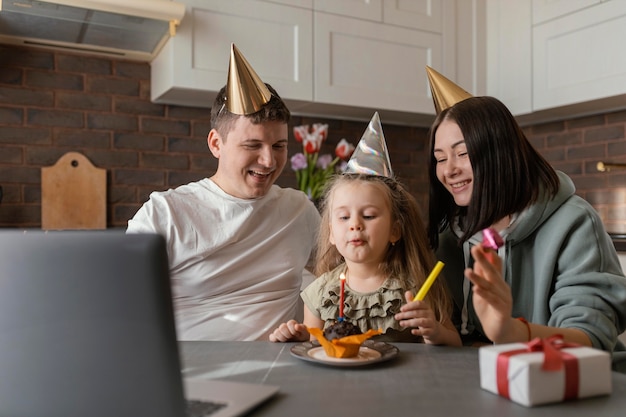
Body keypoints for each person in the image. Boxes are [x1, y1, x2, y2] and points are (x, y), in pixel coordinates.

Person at [425, 67, 626, 358]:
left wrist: (508, 331)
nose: (449, 170)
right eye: (440, 158)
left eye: (463, 153)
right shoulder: (449, 235)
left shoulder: (574, 223)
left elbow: (589, 339)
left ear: (499, 151)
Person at [127, 44, 320, 341]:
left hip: (281, 366)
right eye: (252, 145)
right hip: (194, 371)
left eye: (279, 146)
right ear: (216, 144)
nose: (269, 161)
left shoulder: (300, 210)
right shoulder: (165, 214)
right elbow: (121, 307)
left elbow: (344, 281)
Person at [269, 113, 462, 346]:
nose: (355, 224)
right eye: (343, 216)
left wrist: (435, 333)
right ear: (331, 233)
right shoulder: (321, 294)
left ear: (395, 231)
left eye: (369, 215)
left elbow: (455, 344)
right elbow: (313, 348)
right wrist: (298, 338)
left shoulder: (415, 287)